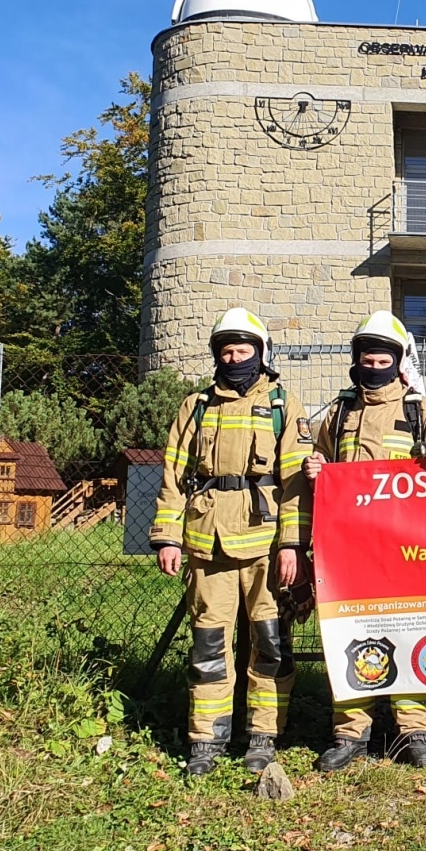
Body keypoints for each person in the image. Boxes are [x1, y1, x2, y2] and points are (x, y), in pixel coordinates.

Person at [301, 311, 426, 770]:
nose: (374, 365)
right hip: (348, 551)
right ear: (357, 362)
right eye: (367, 358)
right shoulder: (338, 412)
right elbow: (318, 461)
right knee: (349, 634)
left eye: (382, 358)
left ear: (398, 361)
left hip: (405, 549)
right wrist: (315, 469)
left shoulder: (418, 410)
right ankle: (351, 732)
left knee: (410, 630)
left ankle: (414, 730)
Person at [151, 308, 311, 777]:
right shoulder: (195, 405)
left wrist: (292, 546)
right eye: (226, 351)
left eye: (243, 351)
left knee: (271, 643)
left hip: (265, 547)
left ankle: (264, 736)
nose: (234, 358)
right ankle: (207, 739)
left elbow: (296, 481)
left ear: (260, 355)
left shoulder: (284, 402)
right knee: (208, 645)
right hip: (207, 545)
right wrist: (167, 537)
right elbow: (173, 476)